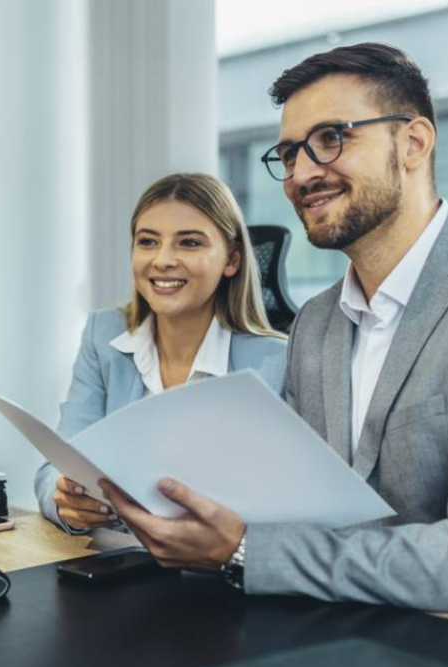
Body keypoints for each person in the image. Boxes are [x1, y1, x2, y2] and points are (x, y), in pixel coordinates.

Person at [102, 43, 448, 654]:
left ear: (414, 143)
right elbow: (305, 506)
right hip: (382, 635)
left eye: (332, 138)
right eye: (289, 153)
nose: (303, 172)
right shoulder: (315, 323)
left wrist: (243, 547)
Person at [37, 173, 286, 533]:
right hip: (114, 567)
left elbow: (286, 507)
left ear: (231, 260)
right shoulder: (103, 336)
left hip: (216, 576)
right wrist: (66, 500)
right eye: (148, 241)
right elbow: (54, 467)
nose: (163, 260)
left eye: (188, 243)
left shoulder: (275, 363)